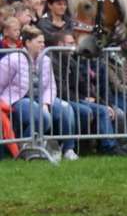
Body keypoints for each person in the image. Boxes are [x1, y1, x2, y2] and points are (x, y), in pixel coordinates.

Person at [0, 26, 77, 158]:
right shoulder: (12, 59)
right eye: (39, 42)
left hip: (41, 98)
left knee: (66, 109)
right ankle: (25, 147)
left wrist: (46, 103)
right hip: (17, 99)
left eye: (43, 42)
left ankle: (68, 150)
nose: (43, 45)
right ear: (28, 43)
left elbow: (51, 86)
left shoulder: (45, 60)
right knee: (43, 117)